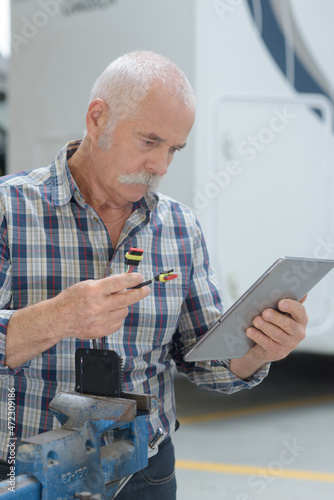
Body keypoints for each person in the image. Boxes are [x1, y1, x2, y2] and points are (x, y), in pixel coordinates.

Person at [0, 51, 307, 498]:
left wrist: (258, 351)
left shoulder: (180, 227)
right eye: (149, 141)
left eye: (173, 150)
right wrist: (58, 318)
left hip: (145, 472)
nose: (161, 166)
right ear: (97, 118)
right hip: (29, 474)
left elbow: (204, 362)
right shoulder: (10, 210)